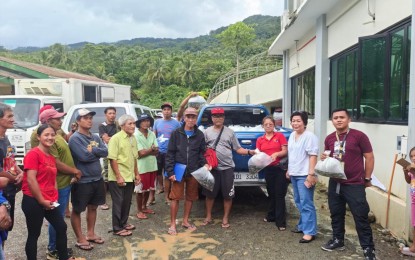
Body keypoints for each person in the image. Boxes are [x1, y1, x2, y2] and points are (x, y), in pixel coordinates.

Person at [320, 108, 376, 259]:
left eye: (342, 117)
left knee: (360, 216)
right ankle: (338, 240)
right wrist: (324, 159)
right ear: (332, 121)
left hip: (354, 183)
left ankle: (368, 248)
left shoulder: (359, 136)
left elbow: (369, 157)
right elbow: (327, 155)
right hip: (335, 182)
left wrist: (367, 178)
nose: (338, 120)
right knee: (336, 213)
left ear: (349, 119)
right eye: (335, 118)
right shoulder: (330, 138)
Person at [22, 124, 78, 260]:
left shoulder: (51, 156)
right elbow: (31, 179)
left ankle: (63, 257)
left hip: (49, 200)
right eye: (46, 135)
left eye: (52, 135)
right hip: (33, 200)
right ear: (38, 137)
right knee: (34, 234)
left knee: (61, 227)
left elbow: (52, 180)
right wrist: (41, 200)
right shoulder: (33, 154)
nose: (50, 137)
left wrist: (54, 198)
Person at [33, 109, 82, 259]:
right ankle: (53, 249)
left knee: (59, 217)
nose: (60, 121)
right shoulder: (46, 136)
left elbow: (64, 140)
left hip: (63, 182)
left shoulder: (56, 132)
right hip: (58, 184)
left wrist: (71, 133)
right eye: (57, 119)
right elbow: (56, 162)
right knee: (57, 217)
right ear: (48, 121)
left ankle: (57, 246)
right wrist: (75, 171)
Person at [201, 107, 255, 228]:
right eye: (215, 116)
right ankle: (208, 216)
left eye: (220, 116)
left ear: (224, 118)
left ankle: (225, 218)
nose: (218, 118)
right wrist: (205, 163)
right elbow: (202, 150)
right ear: (212, 118)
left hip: (227, 168)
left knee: (228, 195)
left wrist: (249, 152)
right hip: (212, 168)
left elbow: (238, 149)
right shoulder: (206, 132)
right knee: (209, 194)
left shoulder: (230, 132)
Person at [68, 108, 108, 251]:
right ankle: (80, 238)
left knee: (93, 207)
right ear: (78, 121)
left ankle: (90, 233)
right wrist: (96, 153)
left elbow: (106, 151)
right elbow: (84, 157)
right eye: (85, 118)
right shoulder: (75, 138)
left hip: (97, 178)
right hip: (82, 180)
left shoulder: (96, 137)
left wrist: (94, 151)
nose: (89, 120)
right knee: (77, 209)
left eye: (90, 117)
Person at [165, 107, 207, 235]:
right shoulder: (176, 133)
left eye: (193, 117)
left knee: (191, 197)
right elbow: (170, 153)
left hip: (193, 170)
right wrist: (170, 172)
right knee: (175, 197)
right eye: (188, 116)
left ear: (196, 119)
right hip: (178, 170)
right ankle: (172, 224)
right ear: (184, 118)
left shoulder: (199, 134)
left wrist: (204, 164)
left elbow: (201, 153)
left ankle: (185, 221)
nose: (190, 119)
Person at [287, 111, 318, 243]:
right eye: (293, 120)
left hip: (305, 175)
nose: (295, 123)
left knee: (306, 203)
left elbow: (313, 156)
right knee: (299, 202)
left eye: (298, 121)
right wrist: (289, 169)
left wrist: (311, 175)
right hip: (294, 174)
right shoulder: (292, 135)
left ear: (304, 122)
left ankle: (310, 232)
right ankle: (302, 225)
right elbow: (292, 154)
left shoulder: (309, 136)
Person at [107, 114, 138, 237]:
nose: (133, 126)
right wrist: (118, 176)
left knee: (127, 201)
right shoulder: (116, 138)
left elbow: (135, 158)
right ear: (122, 126)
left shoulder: (133, 138)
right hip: (117, 176)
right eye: (130, 124)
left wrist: (137, 174)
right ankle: (117, 228)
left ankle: (123, 223)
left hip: (129, 175)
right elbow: (112, 159)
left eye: (134, 123)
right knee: (118, 202)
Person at [256, 115, 288, 230]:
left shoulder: (280, 136)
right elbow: (258, 154)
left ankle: (281, 222)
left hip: (280, 169)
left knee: (279, 194)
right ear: (262, 126)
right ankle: (271, 216)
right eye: (266, 124)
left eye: (271, 124)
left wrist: (277, 154)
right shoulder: (260, 139)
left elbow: (285, 151)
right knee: (271, 193)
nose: (268, 126)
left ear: (274, 125)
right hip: (268, 169)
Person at [0, 103, 19, 259]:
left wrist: (20, 173)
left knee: (5, 229)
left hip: (9, 193)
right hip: (1, 193)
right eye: (9, 116)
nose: (13, 119)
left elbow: (10, 160)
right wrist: (13, 178)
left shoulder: (5, 138)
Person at [152, 102, 180, 205]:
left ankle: (167, 196)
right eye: (164, 109)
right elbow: (154, 136)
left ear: (171, 111)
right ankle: (161, 187)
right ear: (162, 111)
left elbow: (179, 136)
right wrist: (154, 148)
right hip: (159, 151)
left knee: (168, 174)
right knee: (158, 172)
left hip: (171, 153)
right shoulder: (157, 122)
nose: (166, 111)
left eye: (168, 109)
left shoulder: (176, 123)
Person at [135, 114, 158, 219]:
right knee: (140, 190)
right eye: (143, 121)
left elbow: (157, 151)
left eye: (148, 120)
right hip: (141, 167)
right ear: (139, 123)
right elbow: (140, 153)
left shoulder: (152, 133)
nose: (146, 123)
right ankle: (139, 210)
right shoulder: (135, 135)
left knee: (149, 188)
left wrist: (149, 150)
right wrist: (151, 149)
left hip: (152, 165)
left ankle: (144, 207)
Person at [98, 106, 119, 210]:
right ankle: (103, 201)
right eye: (110, 113)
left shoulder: (118, 125)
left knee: (116, 175)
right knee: (105, 178)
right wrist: (116, 138)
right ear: (106, 115)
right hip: (107, 153)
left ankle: (117, 199)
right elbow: (106, 140)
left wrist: (112, 138)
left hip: (118, 153)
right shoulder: (102, 126)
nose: (112, 115)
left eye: (113, 113)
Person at [401, 147, 415, 257]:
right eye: (411, 156)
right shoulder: (411, 168)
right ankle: (414, 248)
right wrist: (406, 172)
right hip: (414, 201)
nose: (413, 158)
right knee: (414, 224)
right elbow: (408, 181)